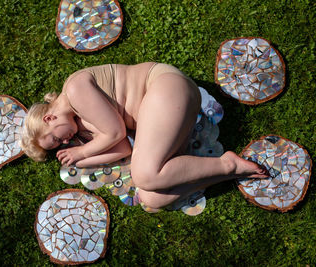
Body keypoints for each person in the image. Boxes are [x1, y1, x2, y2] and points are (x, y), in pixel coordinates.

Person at [20, 62, 268, 210]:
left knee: (143, 173)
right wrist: (79, 160)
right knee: (152, 197)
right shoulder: (81, 120)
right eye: (59, 146)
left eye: (56, 139)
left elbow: (115, 132)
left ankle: (227, 164)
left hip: (163, 87)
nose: (65, 142)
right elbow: (123, 149)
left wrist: (82, 151)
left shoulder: (75, 90)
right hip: (168, 113)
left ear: (49, 118)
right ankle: (229, 172)